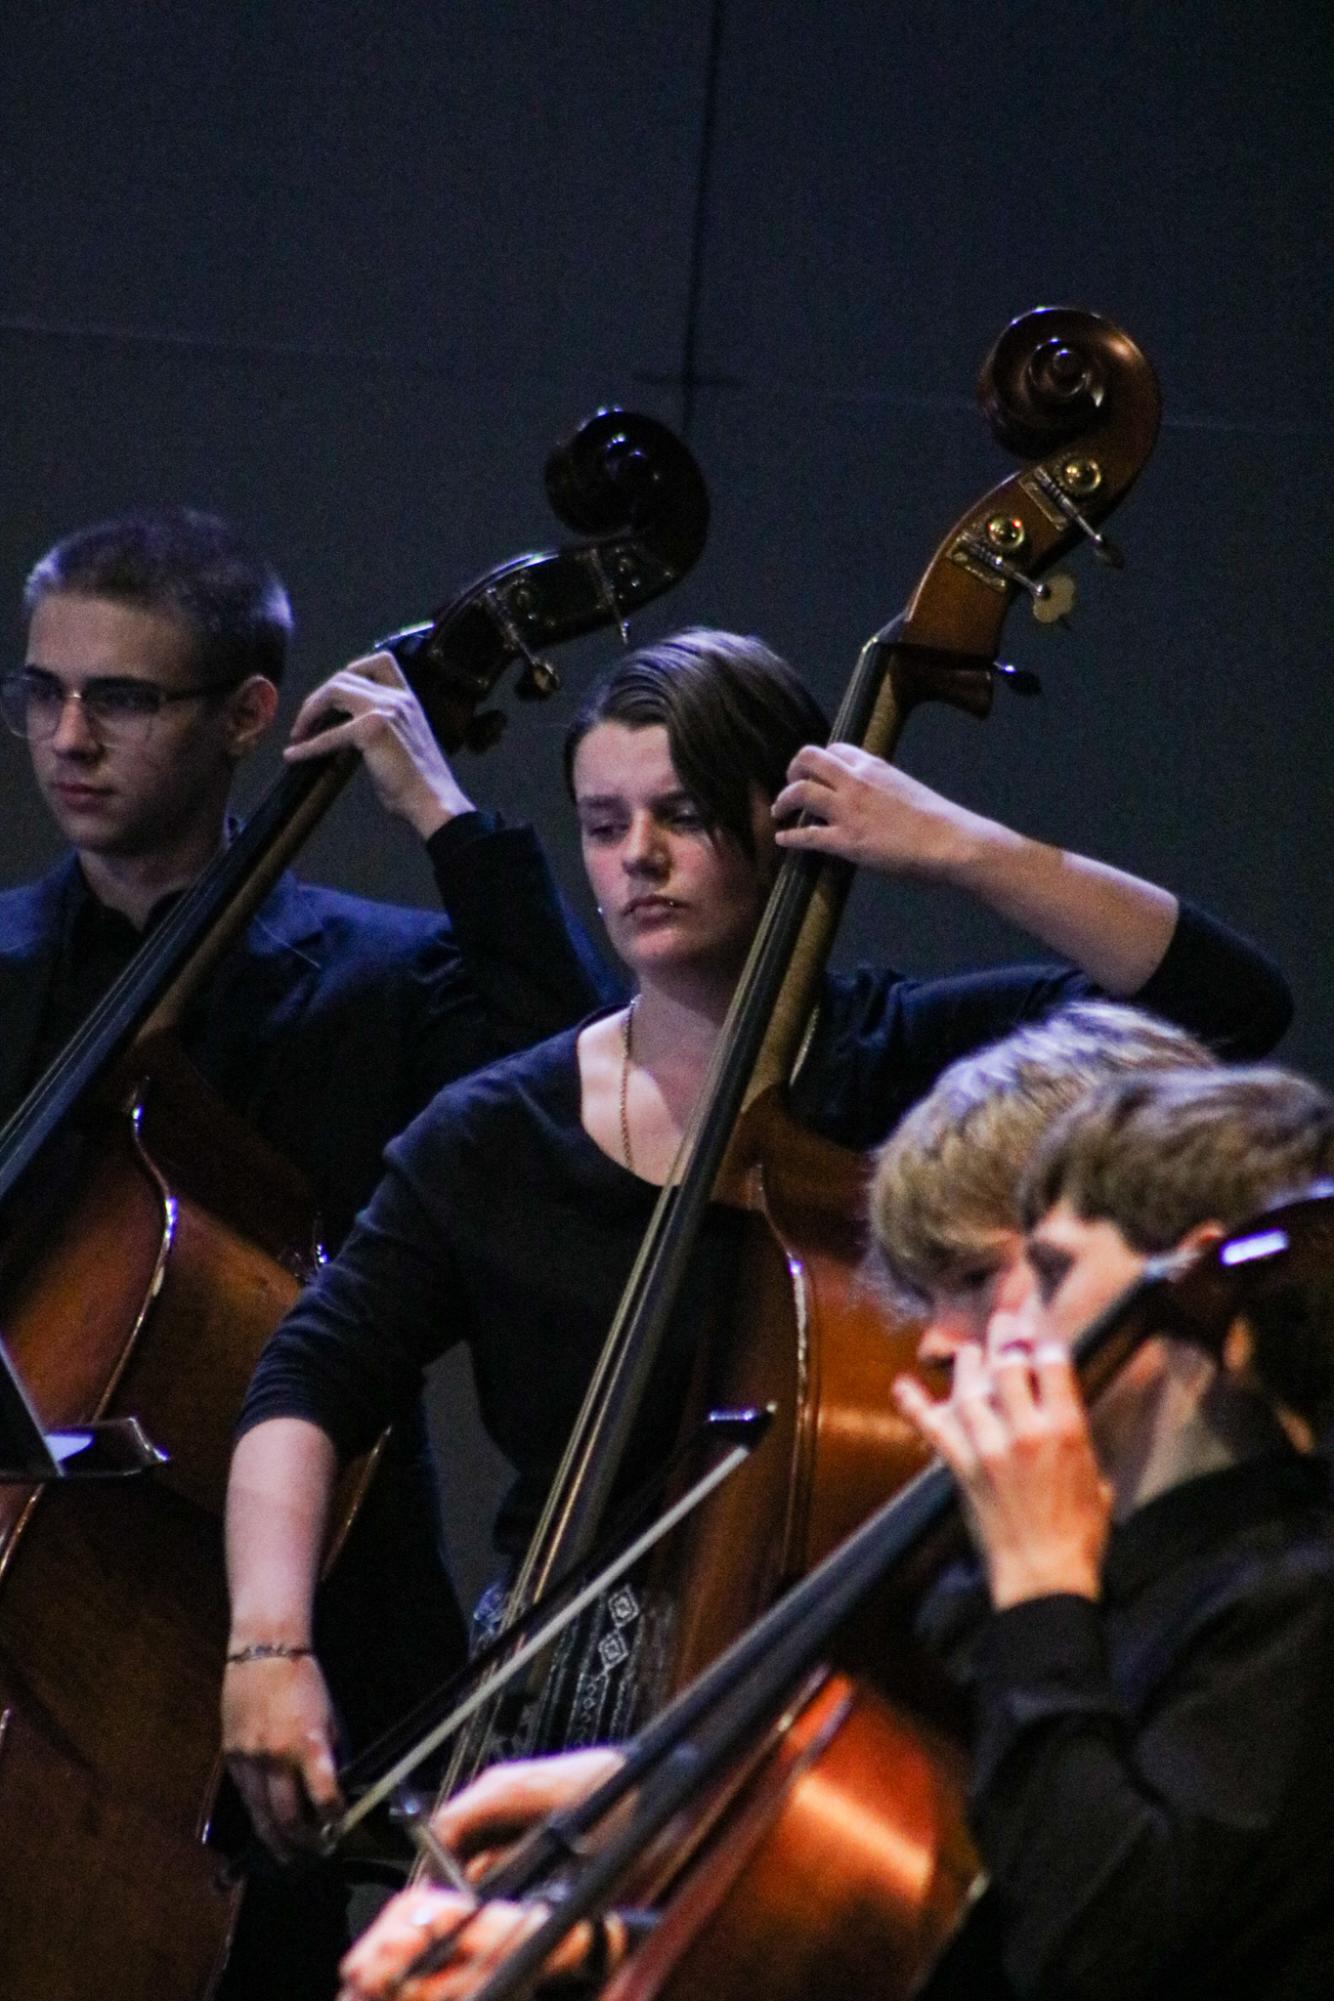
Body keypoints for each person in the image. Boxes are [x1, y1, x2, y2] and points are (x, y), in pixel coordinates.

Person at [223, 625, 1291, 1870]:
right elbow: (311, 1374)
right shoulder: (496, 1135)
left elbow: (1223, 1009)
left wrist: (957, 848)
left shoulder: (912, 1070)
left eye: (680, 813)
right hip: (549, 1701)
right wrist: (268, 1643)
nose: (639, 860)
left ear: (781, 813)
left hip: (850, 1693)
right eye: (603, 822)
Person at [337, 1061, 1334, 2001]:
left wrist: (1040, 1586)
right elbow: (937, 1924)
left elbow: (1094, 1950)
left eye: (1047, 1274)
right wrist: (587, 1936)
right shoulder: (1045, 1589)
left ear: (1209, 1294)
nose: (972, 1340)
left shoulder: (1285, 1603)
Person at [0, 505, 616, 1999]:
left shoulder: (382, 981)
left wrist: (439, 806)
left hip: (249, 1661)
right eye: (42, 692)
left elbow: (584, 1083)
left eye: (123, 699)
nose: (69, 736)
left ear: (249, 717)